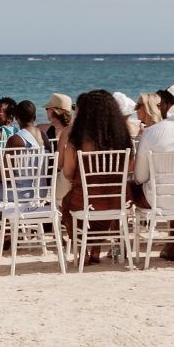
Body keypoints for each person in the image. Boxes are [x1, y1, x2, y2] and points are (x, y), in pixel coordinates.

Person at [57, 90, 129, 263]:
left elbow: (67, 172)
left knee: (67, 205)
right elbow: (130, 168)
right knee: (108, 209)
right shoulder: (121, 139)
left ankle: (83, 252)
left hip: (85, 198)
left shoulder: (77, 140)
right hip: (115, 198)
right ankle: (98, 250)